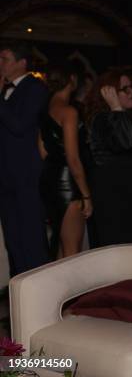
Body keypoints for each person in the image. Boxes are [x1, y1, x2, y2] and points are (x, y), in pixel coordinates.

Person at [83, 71, 132, 247]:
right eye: (125, 89)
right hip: (120, 202)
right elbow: (126, 141)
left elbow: (128, 149)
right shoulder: (105, 118)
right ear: (109, 92)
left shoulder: (121, 117)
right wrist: (116, 107)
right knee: (124, 251)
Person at [0, 41, 50, 276]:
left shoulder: (35, 88)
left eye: (4, 59)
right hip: (5, 175)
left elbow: (19, 126)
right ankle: (18, 295)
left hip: (26, 175)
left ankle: (38, 296)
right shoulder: (4, 89)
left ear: (22, 63)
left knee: (31, 237)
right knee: (13, 240)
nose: (0, 64)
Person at [39, 62, 92, 258]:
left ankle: (58, 289)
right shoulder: (69, 111)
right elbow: (73, 159)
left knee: (61, 247)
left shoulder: (45, 110)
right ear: (72, 80)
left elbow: (42, 152)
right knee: (72, 253)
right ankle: (71, 290)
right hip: (68, 184)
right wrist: (86, 195)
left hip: (49, 180)